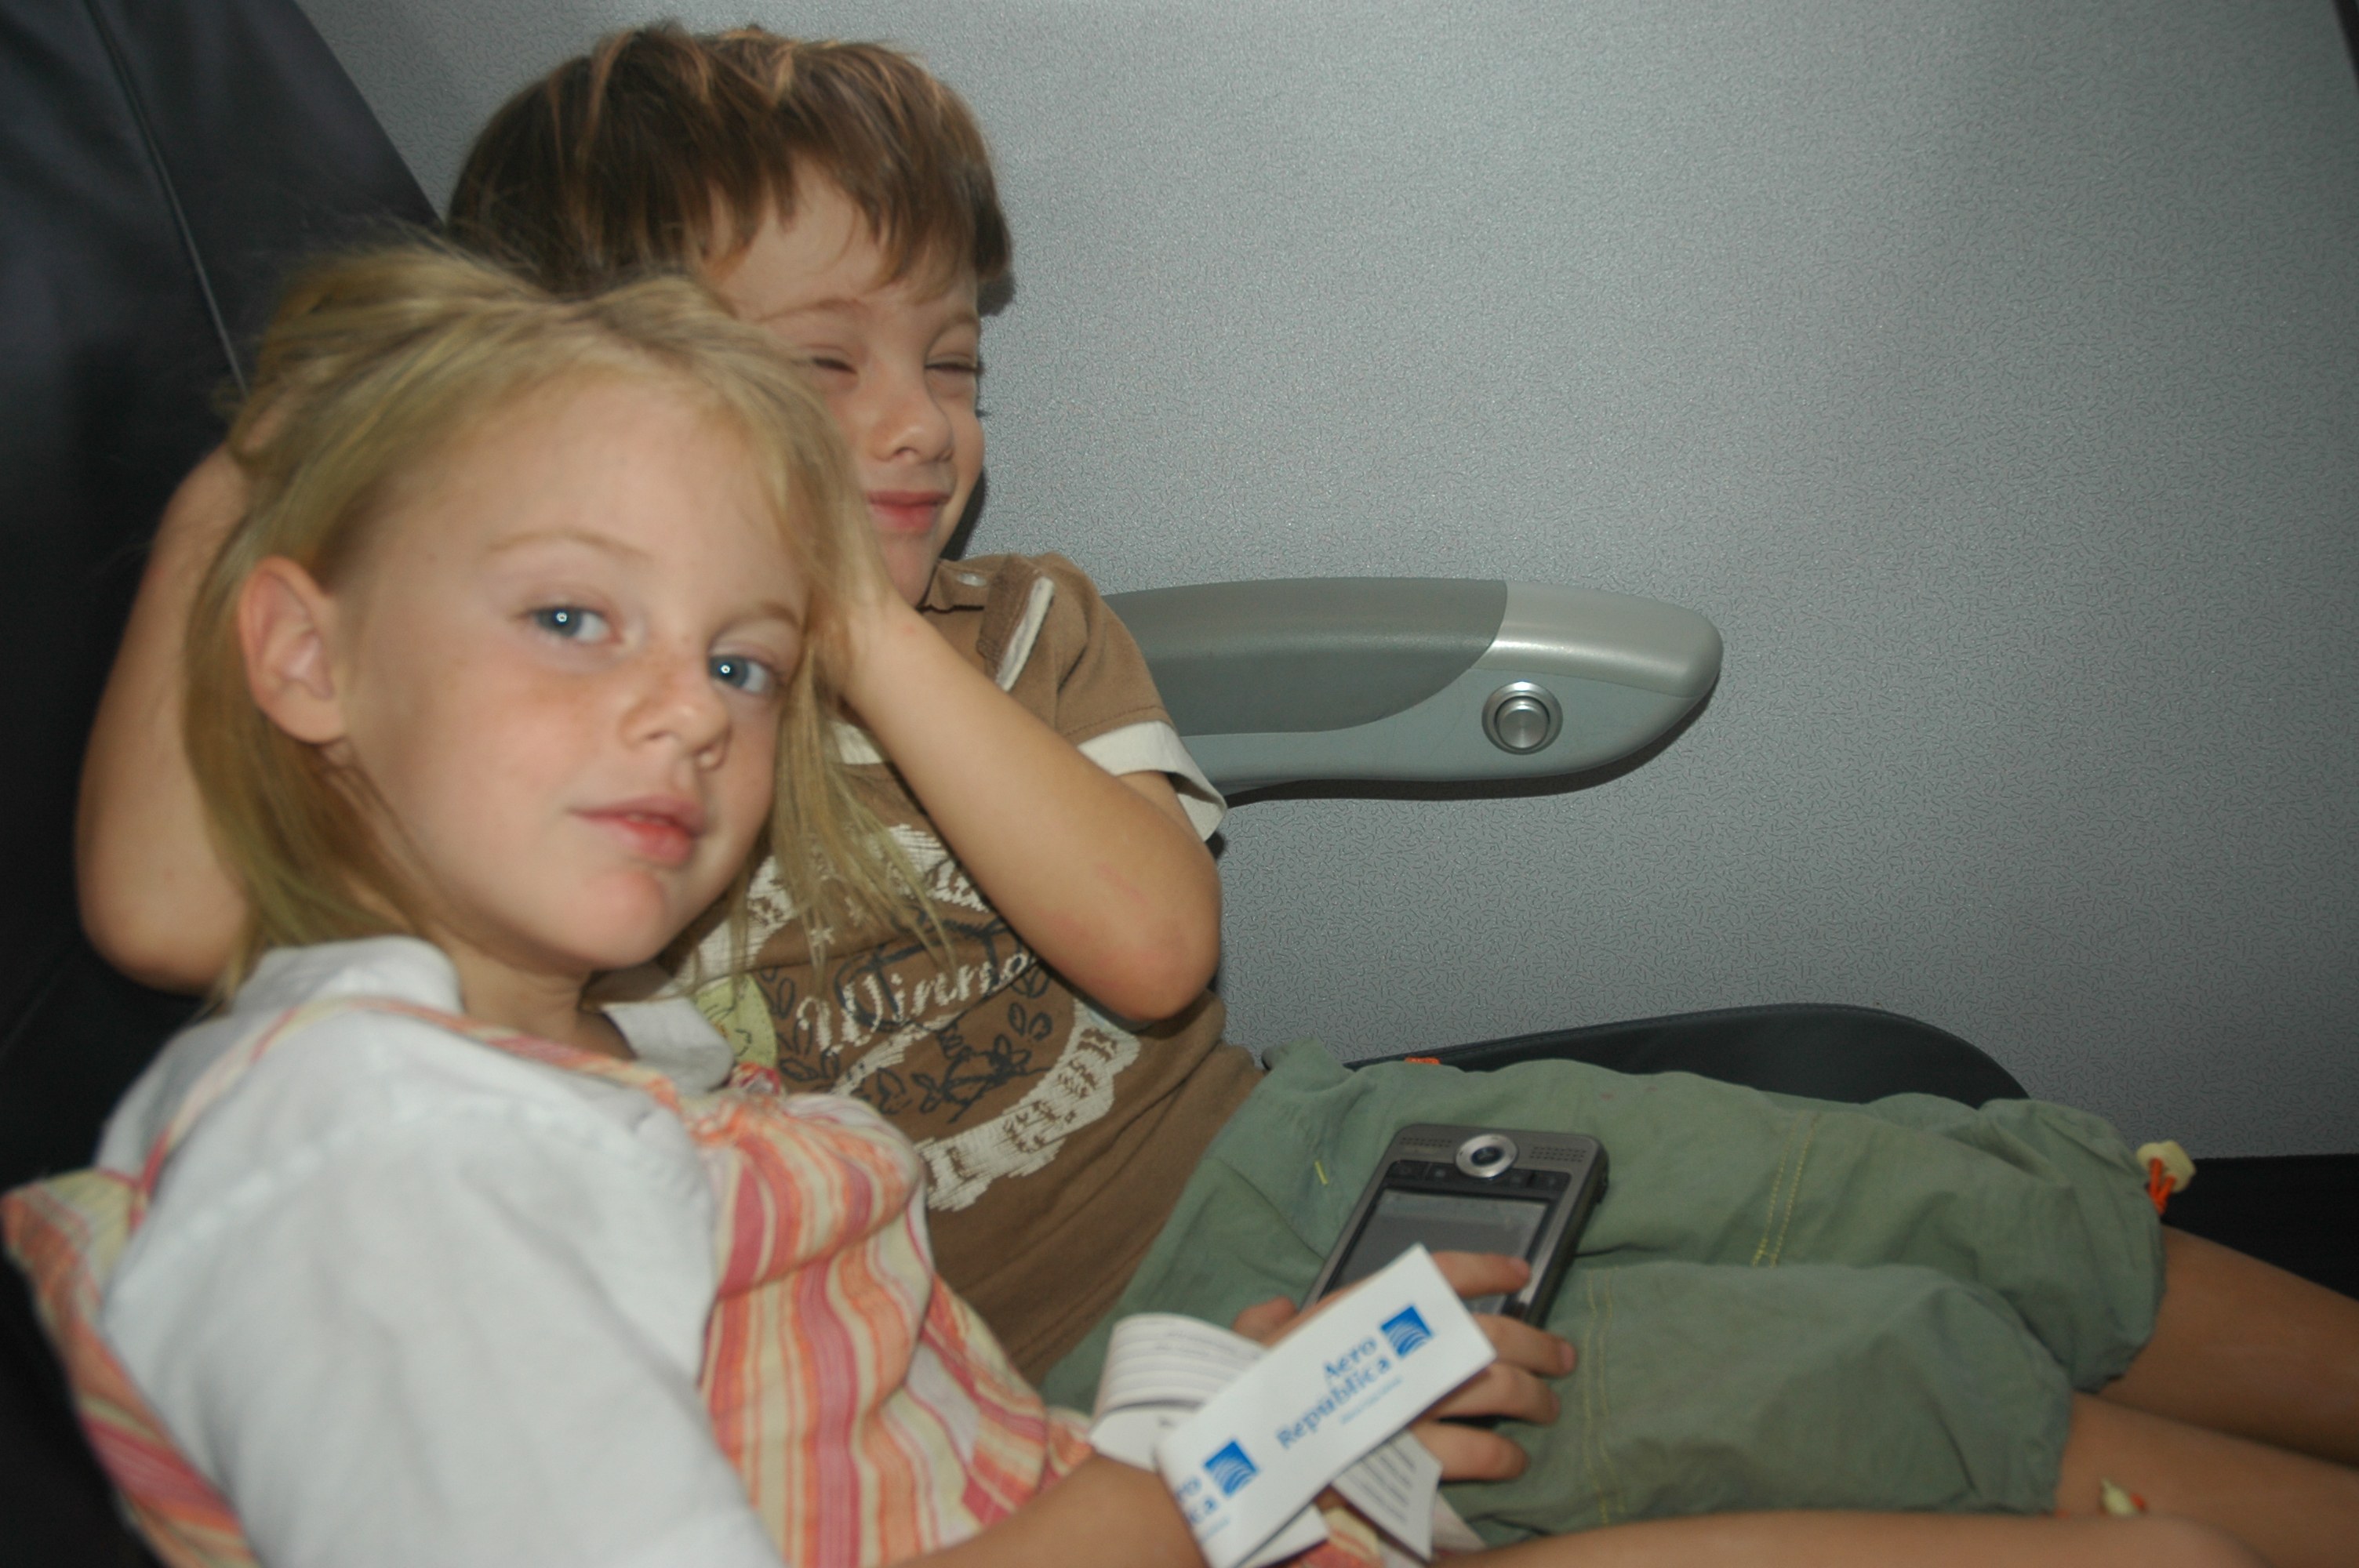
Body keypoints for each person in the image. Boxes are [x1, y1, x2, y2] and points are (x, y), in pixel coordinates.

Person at [68, 25, 2359, 1564]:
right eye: (816, 369)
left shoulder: (1015, 634)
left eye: (951, 359)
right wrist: (295, 453)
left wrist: (860, 611)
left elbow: (1154, 951)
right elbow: (173, 911)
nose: (918, 423)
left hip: (1290, 1153)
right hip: (1052, 1354)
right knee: (1862, 1369)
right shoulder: (608, 764)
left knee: (1913, 1184)